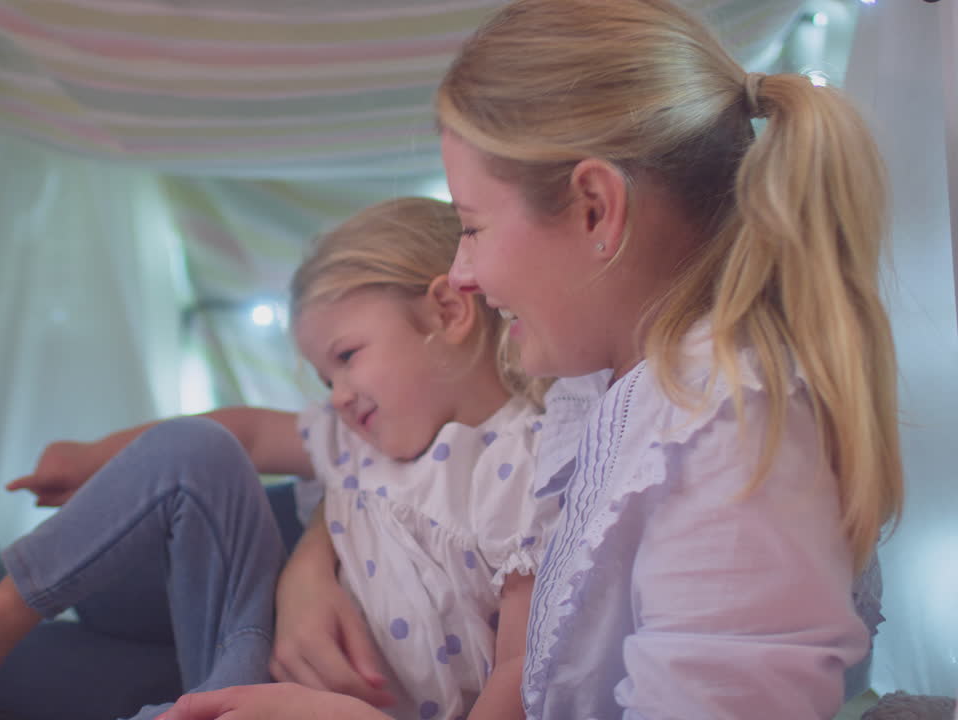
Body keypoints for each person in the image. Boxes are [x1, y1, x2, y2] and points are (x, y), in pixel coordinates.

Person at [161, 1, 902, 719]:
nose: (462, 274)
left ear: (594, 208)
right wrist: (310, 565)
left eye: (472, 227)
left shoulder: (725, 435)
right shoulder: (597, 393)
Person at [0, 196, 565, 720]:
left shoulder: (525, 461)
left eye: (347, 355)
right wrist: (94, 457)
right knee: (198, 447)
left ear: (447, 312)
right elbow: (246, 433)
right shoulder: (355, 441)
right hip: (242, 662)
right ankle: (1, 613)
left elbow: (517, 668)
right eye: (324, 377)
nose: (338, 394)